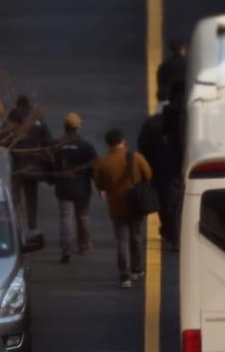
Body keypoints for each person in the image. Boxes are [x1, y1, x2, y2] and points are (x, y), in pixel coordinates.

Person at [92, 129, 152, 288]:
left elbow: (98, 183)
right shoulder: (136, 157)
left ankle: (124, 276)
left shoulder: (104, 163)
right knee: (136, 237)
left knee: (122, 241)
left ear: (107, 144)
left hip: (116, 207)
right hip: (136, 205)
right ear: (123, 141)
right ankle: (137, 269)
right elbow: (148, 174)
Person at [137, 81, 185, 251]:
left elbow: (143, 146)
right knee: (177, 204)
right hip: (180, 170)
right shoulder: (188, 121)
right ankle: (175, 235)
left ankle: (170, 231)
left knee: (165, 203)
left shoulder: (152, 123)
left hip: (158, 170)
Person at [0, 95, 54, 232]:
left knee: (15, 201)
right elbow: (48, 142)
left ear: (17, 105)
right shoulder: (37, 120)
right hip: (33, 168)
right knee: (32, 201)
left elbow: (2, 141)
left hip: (16, 167)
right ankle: (32, 229)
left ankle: (16, 231)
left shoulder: (11, 119)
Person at [52, 112, 98, 263]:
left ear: (64, 127)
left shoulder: (57, 145)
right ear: (78, 127)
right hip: (82, 189)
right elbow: (95, 167)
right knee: (82, 217)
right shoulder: (86, 146)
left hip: (63, 188)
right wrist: (99, 186)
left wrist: (53, 179)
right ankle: (84, 245)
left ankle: (66, 248)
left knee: (66, 217)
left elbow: (52, 166)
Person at [156, 39, 187, 105]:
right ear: (182, 49)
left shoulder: (164, 65)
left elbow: (161, 83)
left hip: (166, 100)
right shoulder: (188, 64)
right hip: (183, 101)